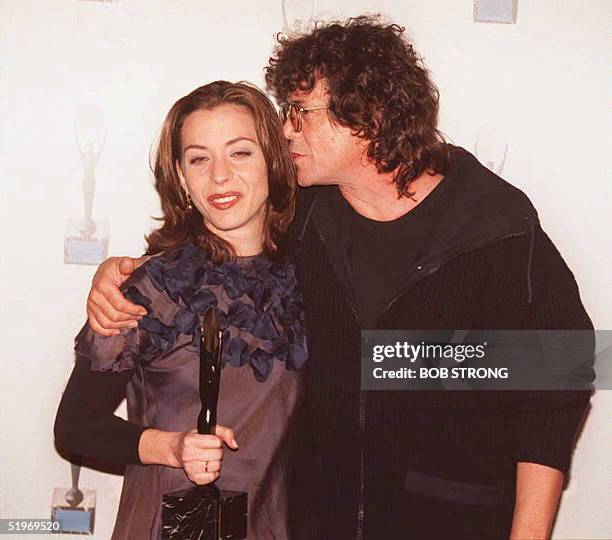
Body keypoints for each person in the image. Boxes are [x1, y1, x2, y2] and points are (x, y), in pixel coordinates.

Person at [84, 16, 593, 540]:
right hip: (310, 523)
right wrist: (120, 273)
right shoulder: (302, 218)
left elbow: (556, 386)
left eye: (301, 112)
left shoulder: (493, 225)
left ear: (366, 115)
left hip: (450, 521)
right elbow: (218, 246)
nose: (286, 129)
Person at [54, 81, 307, 539]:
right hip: (171, 527)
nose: (220, 176)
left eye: (240, 153)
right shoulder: (153, 289)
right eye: (199, 159)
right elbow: (75, 425)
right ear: (180, 176)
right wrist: (171, 447)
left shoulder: (312, 278)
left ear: (274, 158)